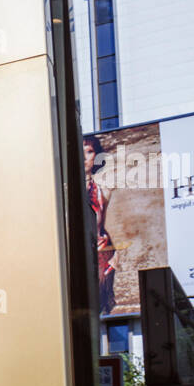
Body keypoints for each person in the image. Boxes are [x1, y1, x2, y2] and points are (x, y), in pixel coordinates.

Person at [84, 134, 120, 316]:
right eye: (79, 152)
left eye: (89, 152)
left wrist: (114, 257)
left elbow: (108, 228)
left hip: (99, 258)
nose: (83, 157)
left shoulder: (104, 193)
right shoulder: (59, 194)